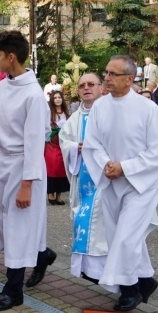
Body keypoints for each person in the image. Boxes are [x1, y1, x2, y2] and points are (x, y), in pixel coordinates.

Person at [82, 55, 158, 312]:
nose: (106, 78)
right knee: (122, 237)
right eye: (106, 73)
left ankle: (129, 290)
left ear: (130, 79)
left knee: (125, 238)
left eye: (112, 74)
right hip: (111, 182)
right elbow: (92, 143)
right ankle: (146, 279)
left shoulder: (147, 109)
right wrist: (106, 164)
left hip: (140, 185)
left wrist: (126, 167)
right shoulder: (99, 107)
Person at [0, 31, 55, 312]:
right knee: (0, 222)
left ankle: (13, 291)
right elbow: (7, 124)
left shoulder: (34, 94)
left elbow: (35, 141)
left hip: (25, 166)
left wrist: (27, 184)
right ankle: (42, 254)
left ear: (11, 57)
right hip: (4, 161)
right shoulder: (5, 85)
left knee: (18, 229)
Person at [59, 73, 111, 287]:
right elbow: (64, 140)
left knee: (104, 229)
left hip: (107, 180)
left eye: (91, 84)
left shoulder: (111, 112)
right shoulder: (75, 118)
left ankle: (114, 277)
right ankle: (92, 272)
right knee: (84, 225)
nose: (86, 88)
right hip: (83, 182)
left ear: (101, 88)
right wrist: (75, 147)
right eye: (82, 86)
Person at [45, 90, 69, 205]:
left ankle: (59, 194)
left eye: (59, 97)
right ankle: (50, 193)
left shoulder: (66, 113)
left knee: (62, 167)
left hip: (63, 143)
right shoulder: (49, 113)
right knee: (52, 166)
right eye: (55, 98)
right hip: (51, 143)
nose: (58, 99)